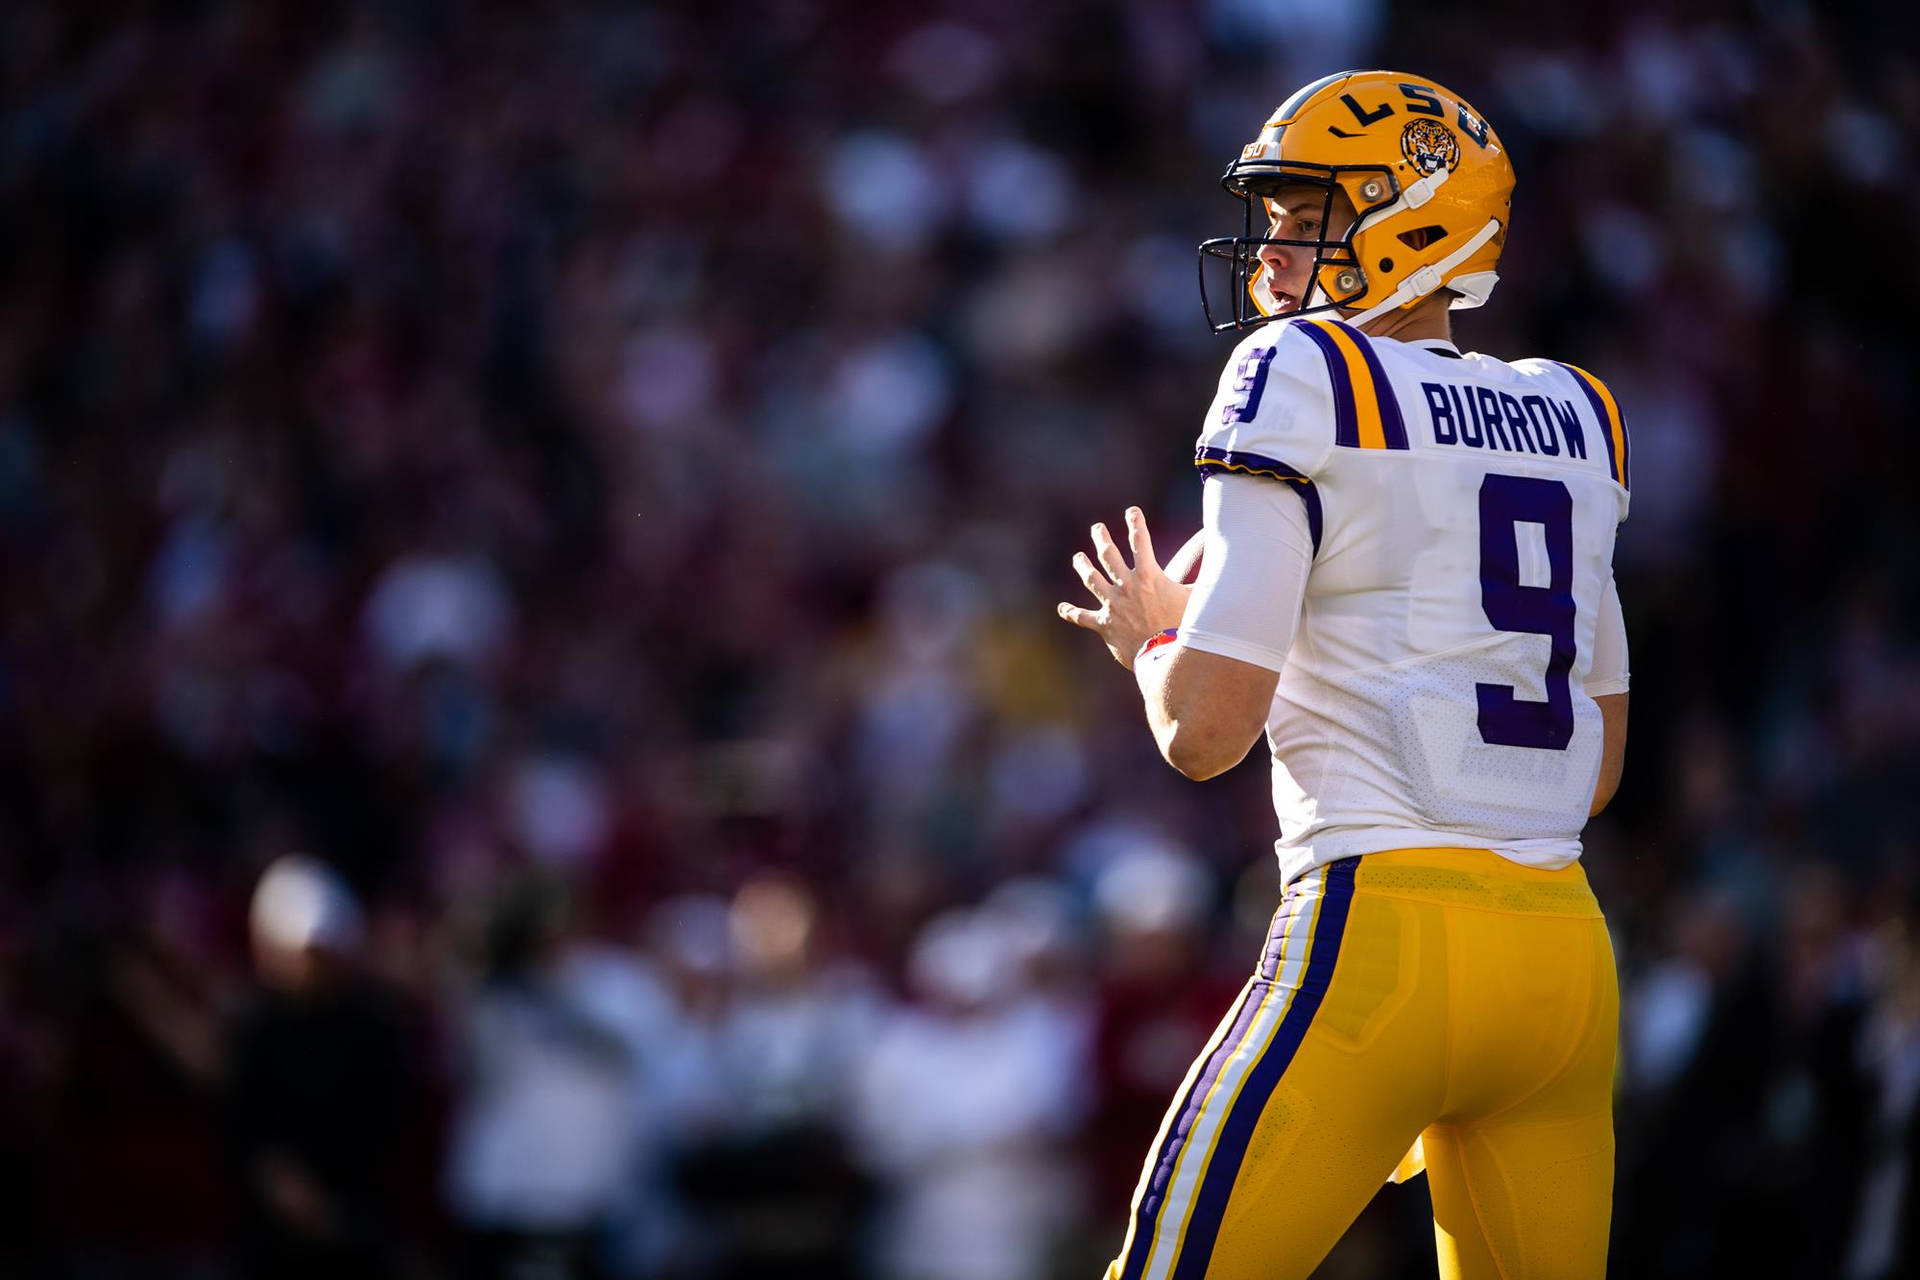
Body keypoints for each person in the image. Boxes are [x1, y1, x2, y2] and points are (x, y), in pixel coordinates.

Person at [1057, 71, 1631, 1280]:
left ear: (1410, 214)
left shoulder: (1304, 371)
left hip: (1379, 941)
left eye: (1308, 210)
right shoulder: (1577, 415)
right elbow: (1598, 764)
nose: (1273, 244)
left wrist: (1155, 640)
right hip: (1564, 966)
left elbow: (1206, 732)